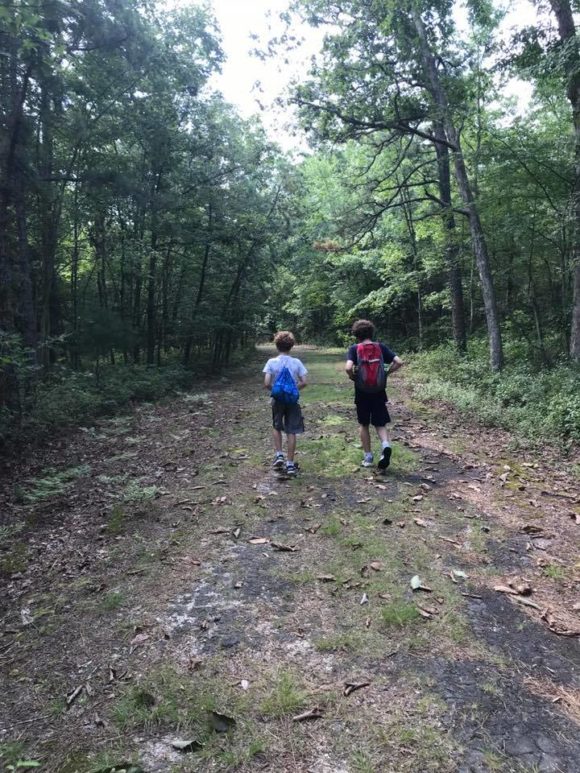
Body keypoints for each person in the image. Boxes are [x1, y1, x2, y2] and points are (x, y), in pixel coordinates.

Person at [345, 319, 403, 469]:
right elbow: (399, 362)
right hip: (378, 390)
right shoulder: (380, 347)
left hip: (362, 391)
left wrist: (353, 377)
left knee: (363, 424)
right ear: (372, 332)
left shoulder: (354, 348)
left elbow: (348, 367)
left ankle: (368, 457)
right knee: (380, 422)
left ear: (356, 334)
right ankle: (385, 446)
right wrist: (386, 373)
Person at [262, 331, 308, 476]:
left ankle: (279, 455)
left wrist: (276, 391)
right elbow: (304, 382)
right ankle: (289, 464)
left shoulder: (271, 362)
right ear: (291, 346)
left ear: (276, 346)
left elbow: (267, 383)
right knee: (291, 430)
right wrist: (293, 390)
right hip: (292, 401)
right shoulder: (296, 362)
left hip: (277, 400)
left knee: (277, 426)